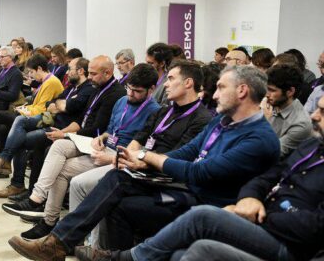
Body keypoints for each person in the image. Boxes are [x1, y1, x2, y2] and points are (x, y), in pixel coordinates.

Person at [8, 66, 281, 260]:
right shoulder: (222, 122)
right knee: (119, 181)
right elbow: (186, 152)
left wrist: (146, 158)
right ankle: (59, 243)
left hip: (205, 203)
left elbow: (201, 171)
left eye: (221, 87)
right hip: (181, 187)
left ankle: (63, 242)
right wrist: (141, 161)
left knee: (118, 194)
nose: (215, 93)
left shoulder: (258, 138)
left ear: (243, 91)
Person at [98, 94, 324, 261]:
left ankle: (124, 258)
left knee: (202, 219)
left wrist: (256, 216)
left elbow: (315, 227)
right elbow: (267, 177)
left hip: (290, 244)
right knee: (176, 252)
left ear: (242, 91)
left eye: (322, 112)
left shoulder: (260, 138)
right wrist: (250, 198)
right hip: (253, 215)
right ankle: (68, 239)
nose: (314, 115)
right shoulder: (313, 145)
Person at [2, 64, 162, 240]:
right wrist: (101, 138)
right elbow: (111, 130)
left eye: (137, 91)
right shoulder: (122, 101)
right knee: (59, 145)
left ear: (152, 89)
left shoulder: (155, 112)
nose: (130, 94)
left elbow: (141, 151)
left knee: (62, 169)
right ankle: (37, 198)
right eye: (129, 88)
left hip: (119, 158)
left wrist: (110, 157)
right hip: (104, 147)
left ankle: (50, 222)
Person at [65, 60, 214, 250]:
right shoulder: (164, 112)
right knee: (112, 178)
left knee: (114, 186)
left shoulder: (201, 119)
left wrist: (139, 161)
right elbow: (139, 138)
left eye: (170, 79)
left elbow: (178, 156)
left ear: (188, 83)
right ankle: (72, 242)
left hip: (166, 179)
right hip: (143, 170)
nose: (165, 84)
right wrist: (128, 157)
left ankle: (71, 243)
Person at [0, 53, 65, 197]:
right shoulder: (47, 81)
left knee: (12, 121)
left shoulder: (52, 82)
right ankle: (5, 168)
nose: (30, 76)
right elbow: (39, 106)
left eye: (31, 72)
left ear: (39, 68)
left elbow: (42, 109)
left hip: (46, 120)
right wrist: (26, 109)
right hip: (40, 117)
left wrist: (25, 110)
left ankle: (2, 159)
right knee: (1, 128)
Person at [264, 64, 312, 158]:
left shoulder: (301, 123)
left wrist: (262, 122)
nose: (266, 94)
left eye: (272, 90)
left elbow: (269, 154)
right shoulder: (272, 104)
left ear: (290, 91)